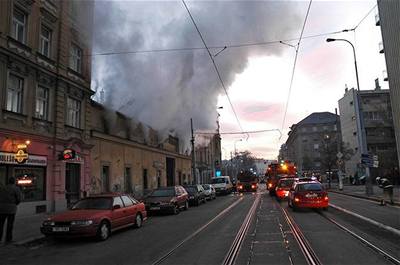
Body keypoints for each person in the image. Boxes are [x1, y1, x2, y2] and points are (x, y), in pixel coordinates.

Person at [0, 177, 22, 244]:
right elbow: (19, 199)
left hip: (1, 208)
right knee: (10, 224)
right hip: (11, 209)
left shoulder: (3, 188)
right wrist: (15, 203)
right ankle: (8, 239)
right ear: (14, 182)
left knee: (0, 224)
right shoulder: (16, 188)